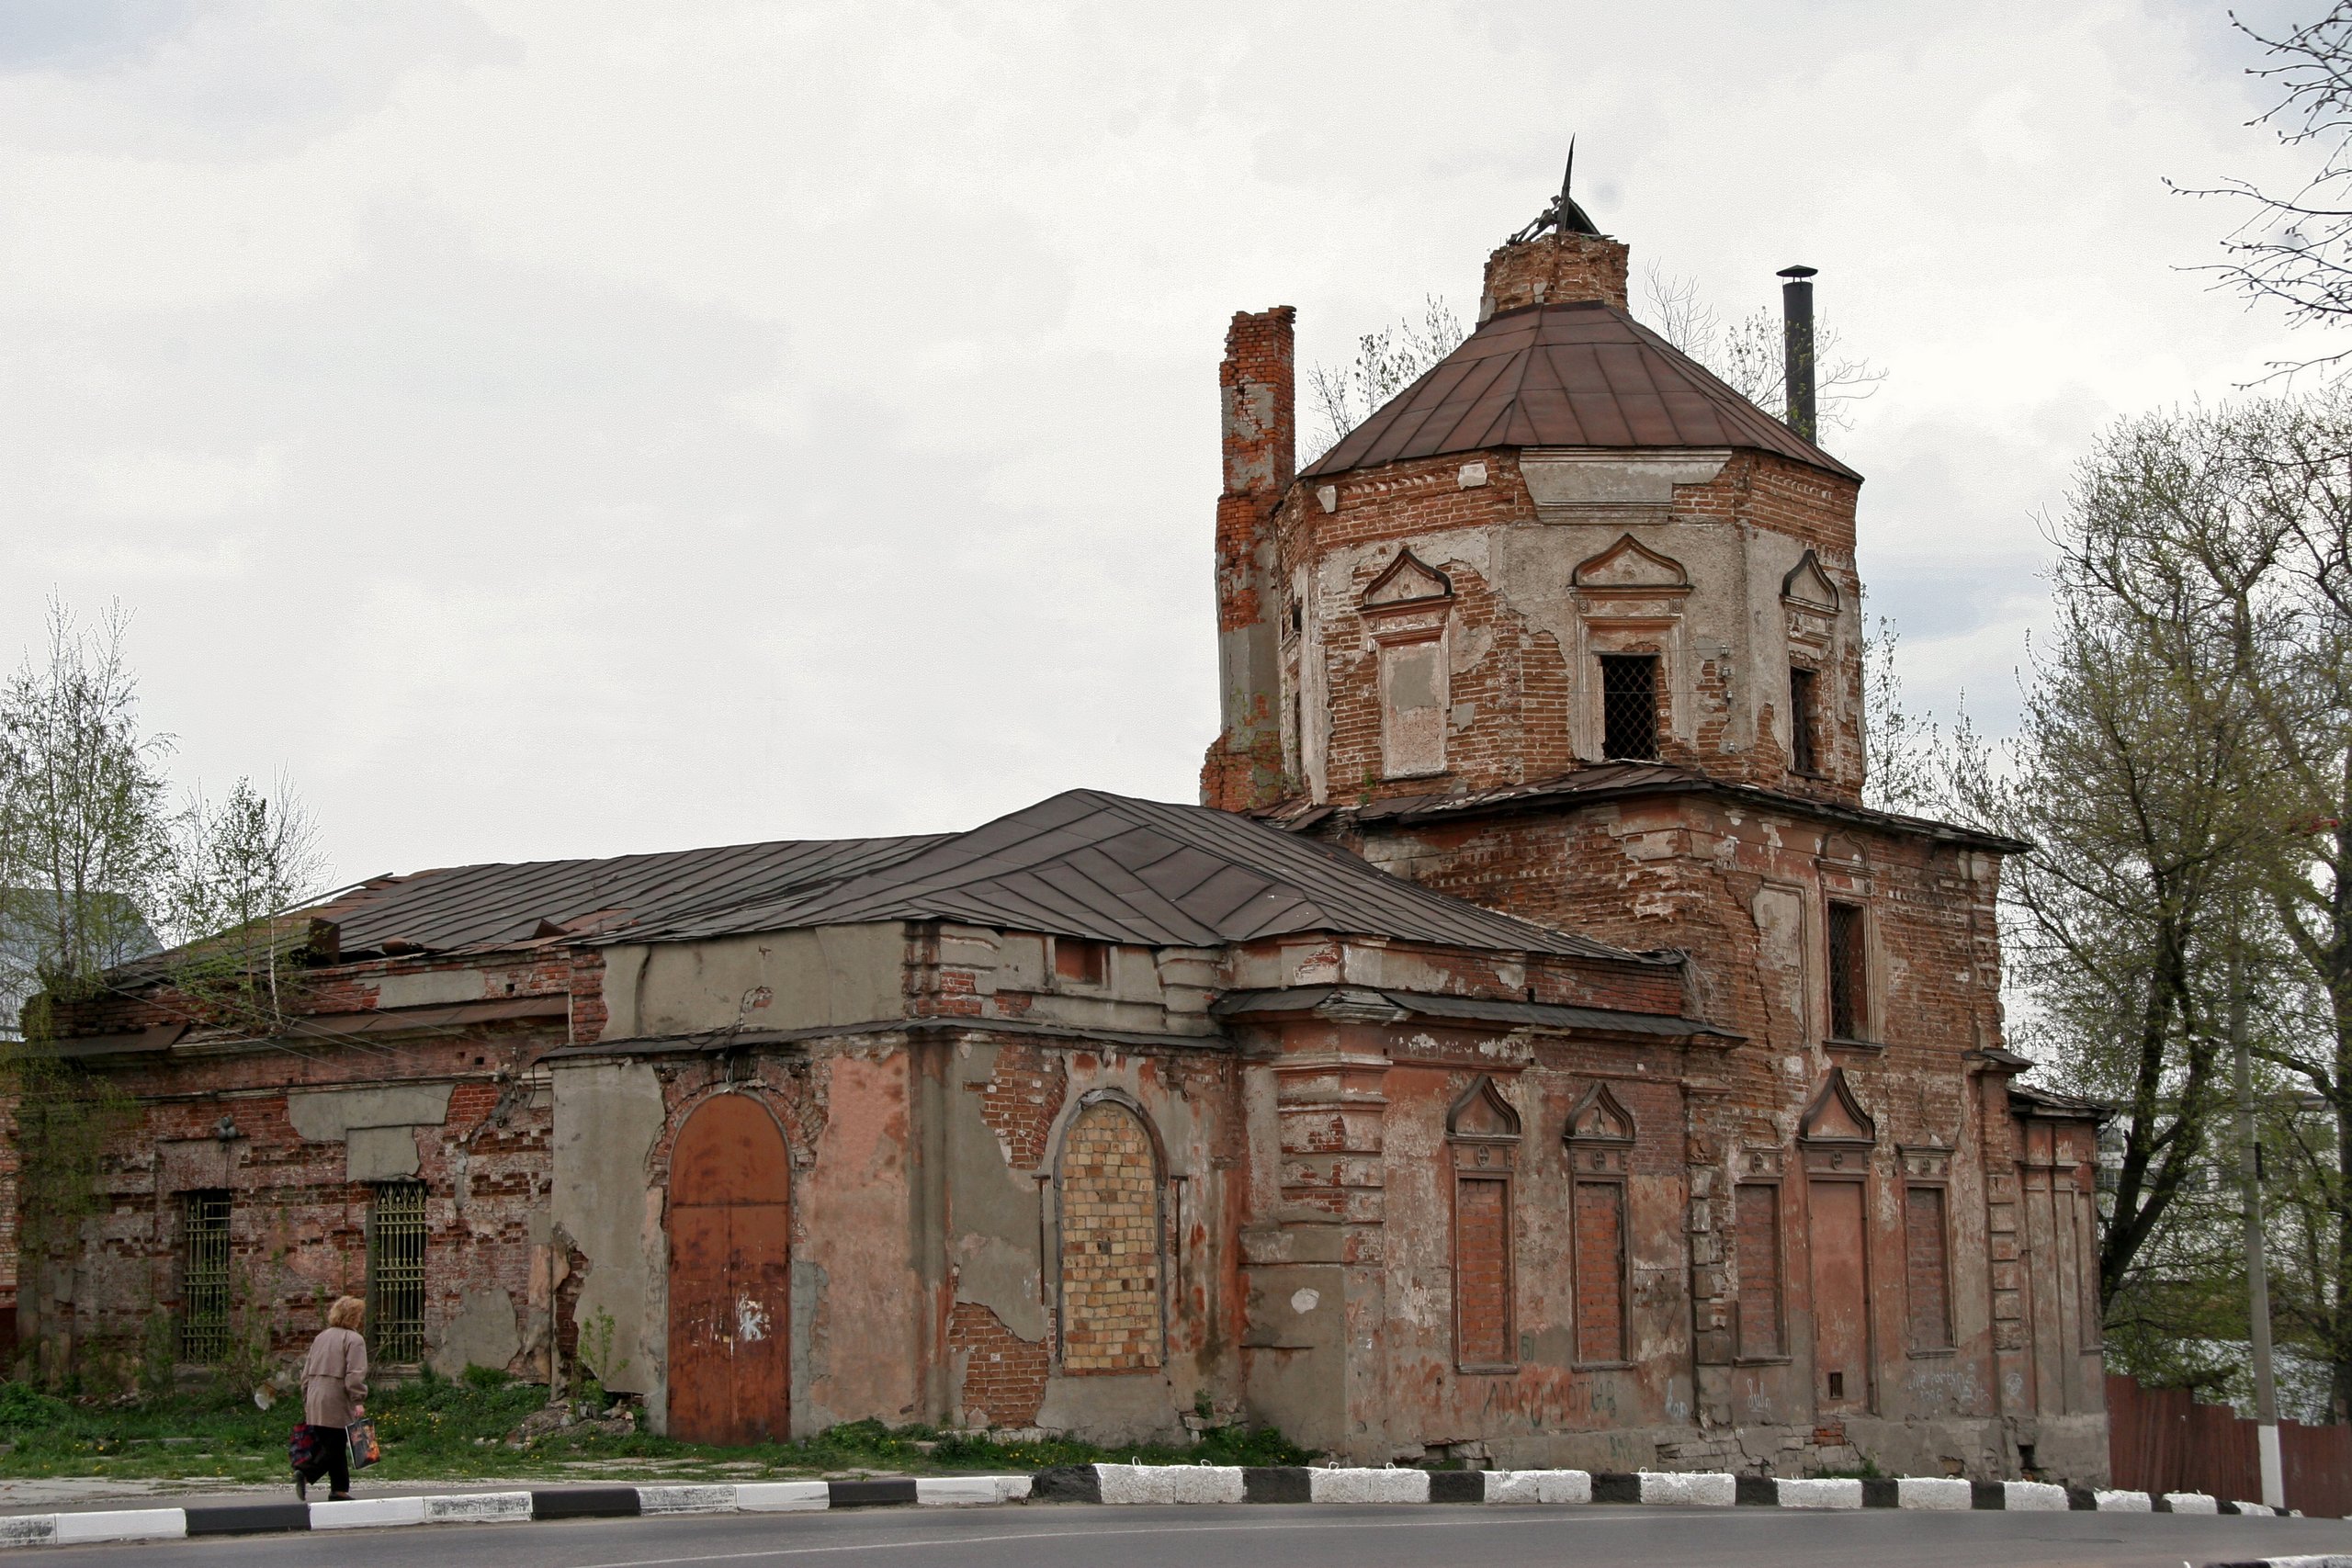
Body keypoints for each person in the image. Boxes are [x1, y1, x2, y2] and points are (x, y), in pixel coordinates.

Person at [294, 1296, 368, 1501]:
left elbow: (306, 1371)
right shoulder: (354, 1340)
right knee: (335, 1446)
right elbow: (354, 1374)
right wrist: (358, 1399)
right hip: (336, 1396)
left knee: (332, 1444)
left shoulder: (321, 1337)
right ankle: (306, 1471)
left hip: (315, 1395)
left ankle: (339, 1489)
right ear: (354, 1316)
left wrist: (307, 1396)